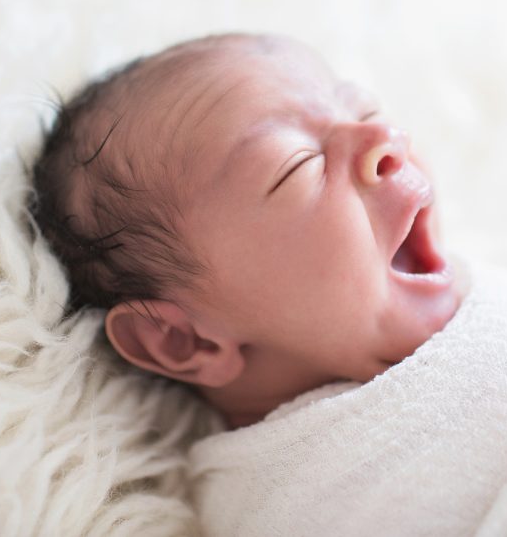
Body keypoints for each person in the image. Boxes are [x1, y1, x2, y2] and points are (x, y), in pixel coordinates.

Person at [30, 33, 467, 429]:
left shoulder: (481, 291)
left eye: (364, 110)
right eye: (296, 165)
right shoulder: (300, 489)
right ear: (186, 341)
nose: (385, 136)